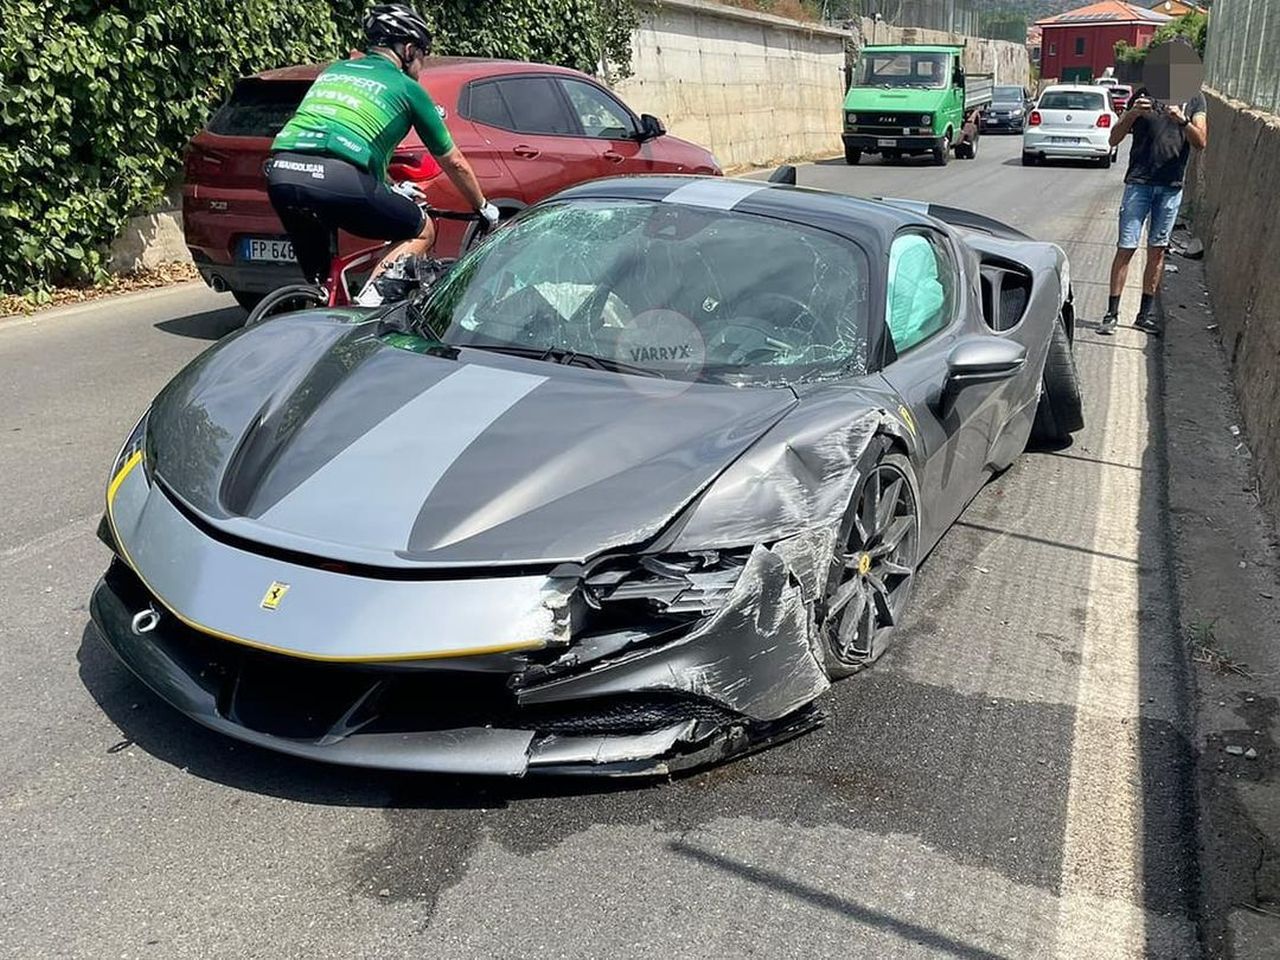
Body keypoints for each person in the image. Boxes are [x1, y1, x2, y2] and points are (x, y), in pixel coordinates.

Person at [265, 4, 499, 302]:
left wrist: (390, 187)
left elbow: (347, 138)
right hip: (338, 177)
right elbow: (454, 162)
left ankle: (317, 300)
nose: (421, 65)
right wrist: (482, 206)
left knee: (322, 280)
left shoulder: (335, 70)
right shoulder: (407, 88)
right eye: (423, 56)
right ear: (410, 50)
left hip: (282, 171)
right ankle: (368, 307)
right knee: (421, 229)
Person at [1099, 84, 1207, 335]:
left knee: (1157, 252)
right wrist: (1132, 114)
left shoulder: (1194, 98)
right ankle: (1111, 314)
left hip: (1170, 187)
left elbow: (1201, 141)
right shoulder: (1143, 93)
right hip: (1139, 184)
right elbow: (1113, 138)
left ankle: (1144, 316)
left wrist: (1182, 120)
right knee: (1126, 248)